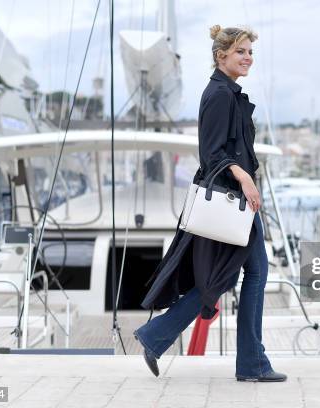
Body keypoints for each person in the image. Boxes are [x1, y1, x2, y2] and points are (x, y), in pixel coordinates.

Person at [133, 25, 287, 383]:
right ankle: (250, 363)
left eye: (250, 52)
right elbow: (211, 152)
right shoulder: (218, 94)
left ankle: (158, 336)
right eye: (241, 52)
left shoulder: (228, 93)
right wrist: (244, 176)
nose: (248, 58)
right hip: (230, 199)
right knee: (250, 274)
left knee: (235, 275)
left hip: (234, 200)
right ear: (221, 56)